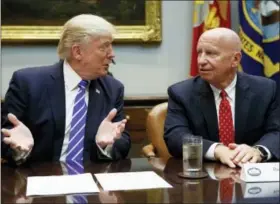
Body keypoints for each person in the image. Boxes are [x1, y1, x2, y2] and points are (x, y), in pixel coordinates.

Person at [1, 14, 130, 165]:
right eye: (104, 47)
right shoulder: (28, 83)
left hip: (92, 179)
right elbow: (5, 137)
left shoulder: (113, 88)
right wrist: (19, 149)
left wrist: (106, 146)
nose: (112, 54)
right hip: (38, 178)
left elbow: (124, 142)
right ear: (77, 52)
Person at [164, 27, 280, 168]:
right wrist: (217, 150)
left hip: (251, 173)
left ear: (235, 59)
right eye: (199, 53)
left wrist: (258, 151)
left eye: (211, 54)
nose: (201, 61)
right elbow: (175, 136)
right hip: (205, 178)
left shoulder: (266, 90)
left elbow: (276, 131)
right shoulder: (181, 93)